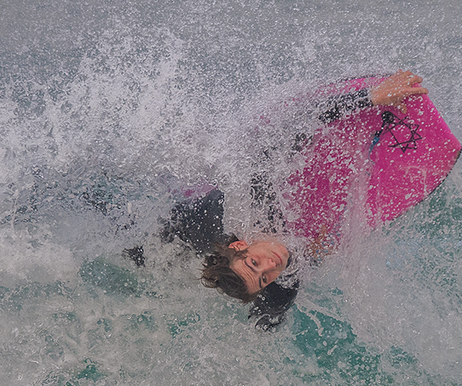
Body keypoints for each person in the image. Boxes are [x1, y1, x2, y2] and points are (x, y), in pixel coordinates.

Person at [156, 71, 429, 328]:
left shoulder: (258, 197)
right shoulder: (284, 283)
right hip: (212, 233)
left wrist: (371, 97)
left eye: (254, 262)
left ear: (241, 245)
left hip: (190, 220)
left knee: (148, 253)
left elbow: (299, 123)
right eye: (264, 278)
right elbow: (267, 315)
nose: (271, 265)